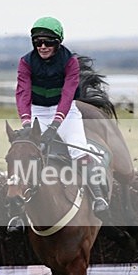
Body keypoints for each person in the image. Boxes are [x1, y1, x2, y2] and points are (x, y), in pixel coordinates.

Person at [9, 16, 108, 230]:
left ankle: (98, 196)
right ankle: (16, 214)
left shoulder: (69, 61)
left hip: (66, 111)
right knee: (24, 156)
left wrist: (56, 124)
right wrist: (26, 122)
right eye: (38, 42)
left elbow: (68, 93)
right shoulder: (26, 62)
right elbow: (23, 92)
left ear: (58, 42)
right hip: (37, 111)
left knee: (79, 153)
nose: (43, 46)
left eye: (48, 42)